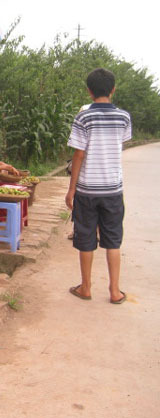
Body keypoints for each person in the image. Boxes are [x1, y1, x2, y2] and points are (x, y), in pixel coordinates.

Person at [65, 68, 131, 304]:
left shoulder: (84, 117)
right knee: (113, 240)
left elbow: (79, 155)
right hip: (113, 189)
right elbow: (119, 145)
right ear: (113, 89)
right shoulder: (123, 117)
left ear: (89, 91)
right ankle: (114, 291)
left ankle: (86, 287)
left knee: (86, 239)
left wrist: (71, 189)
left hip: (87, 189)